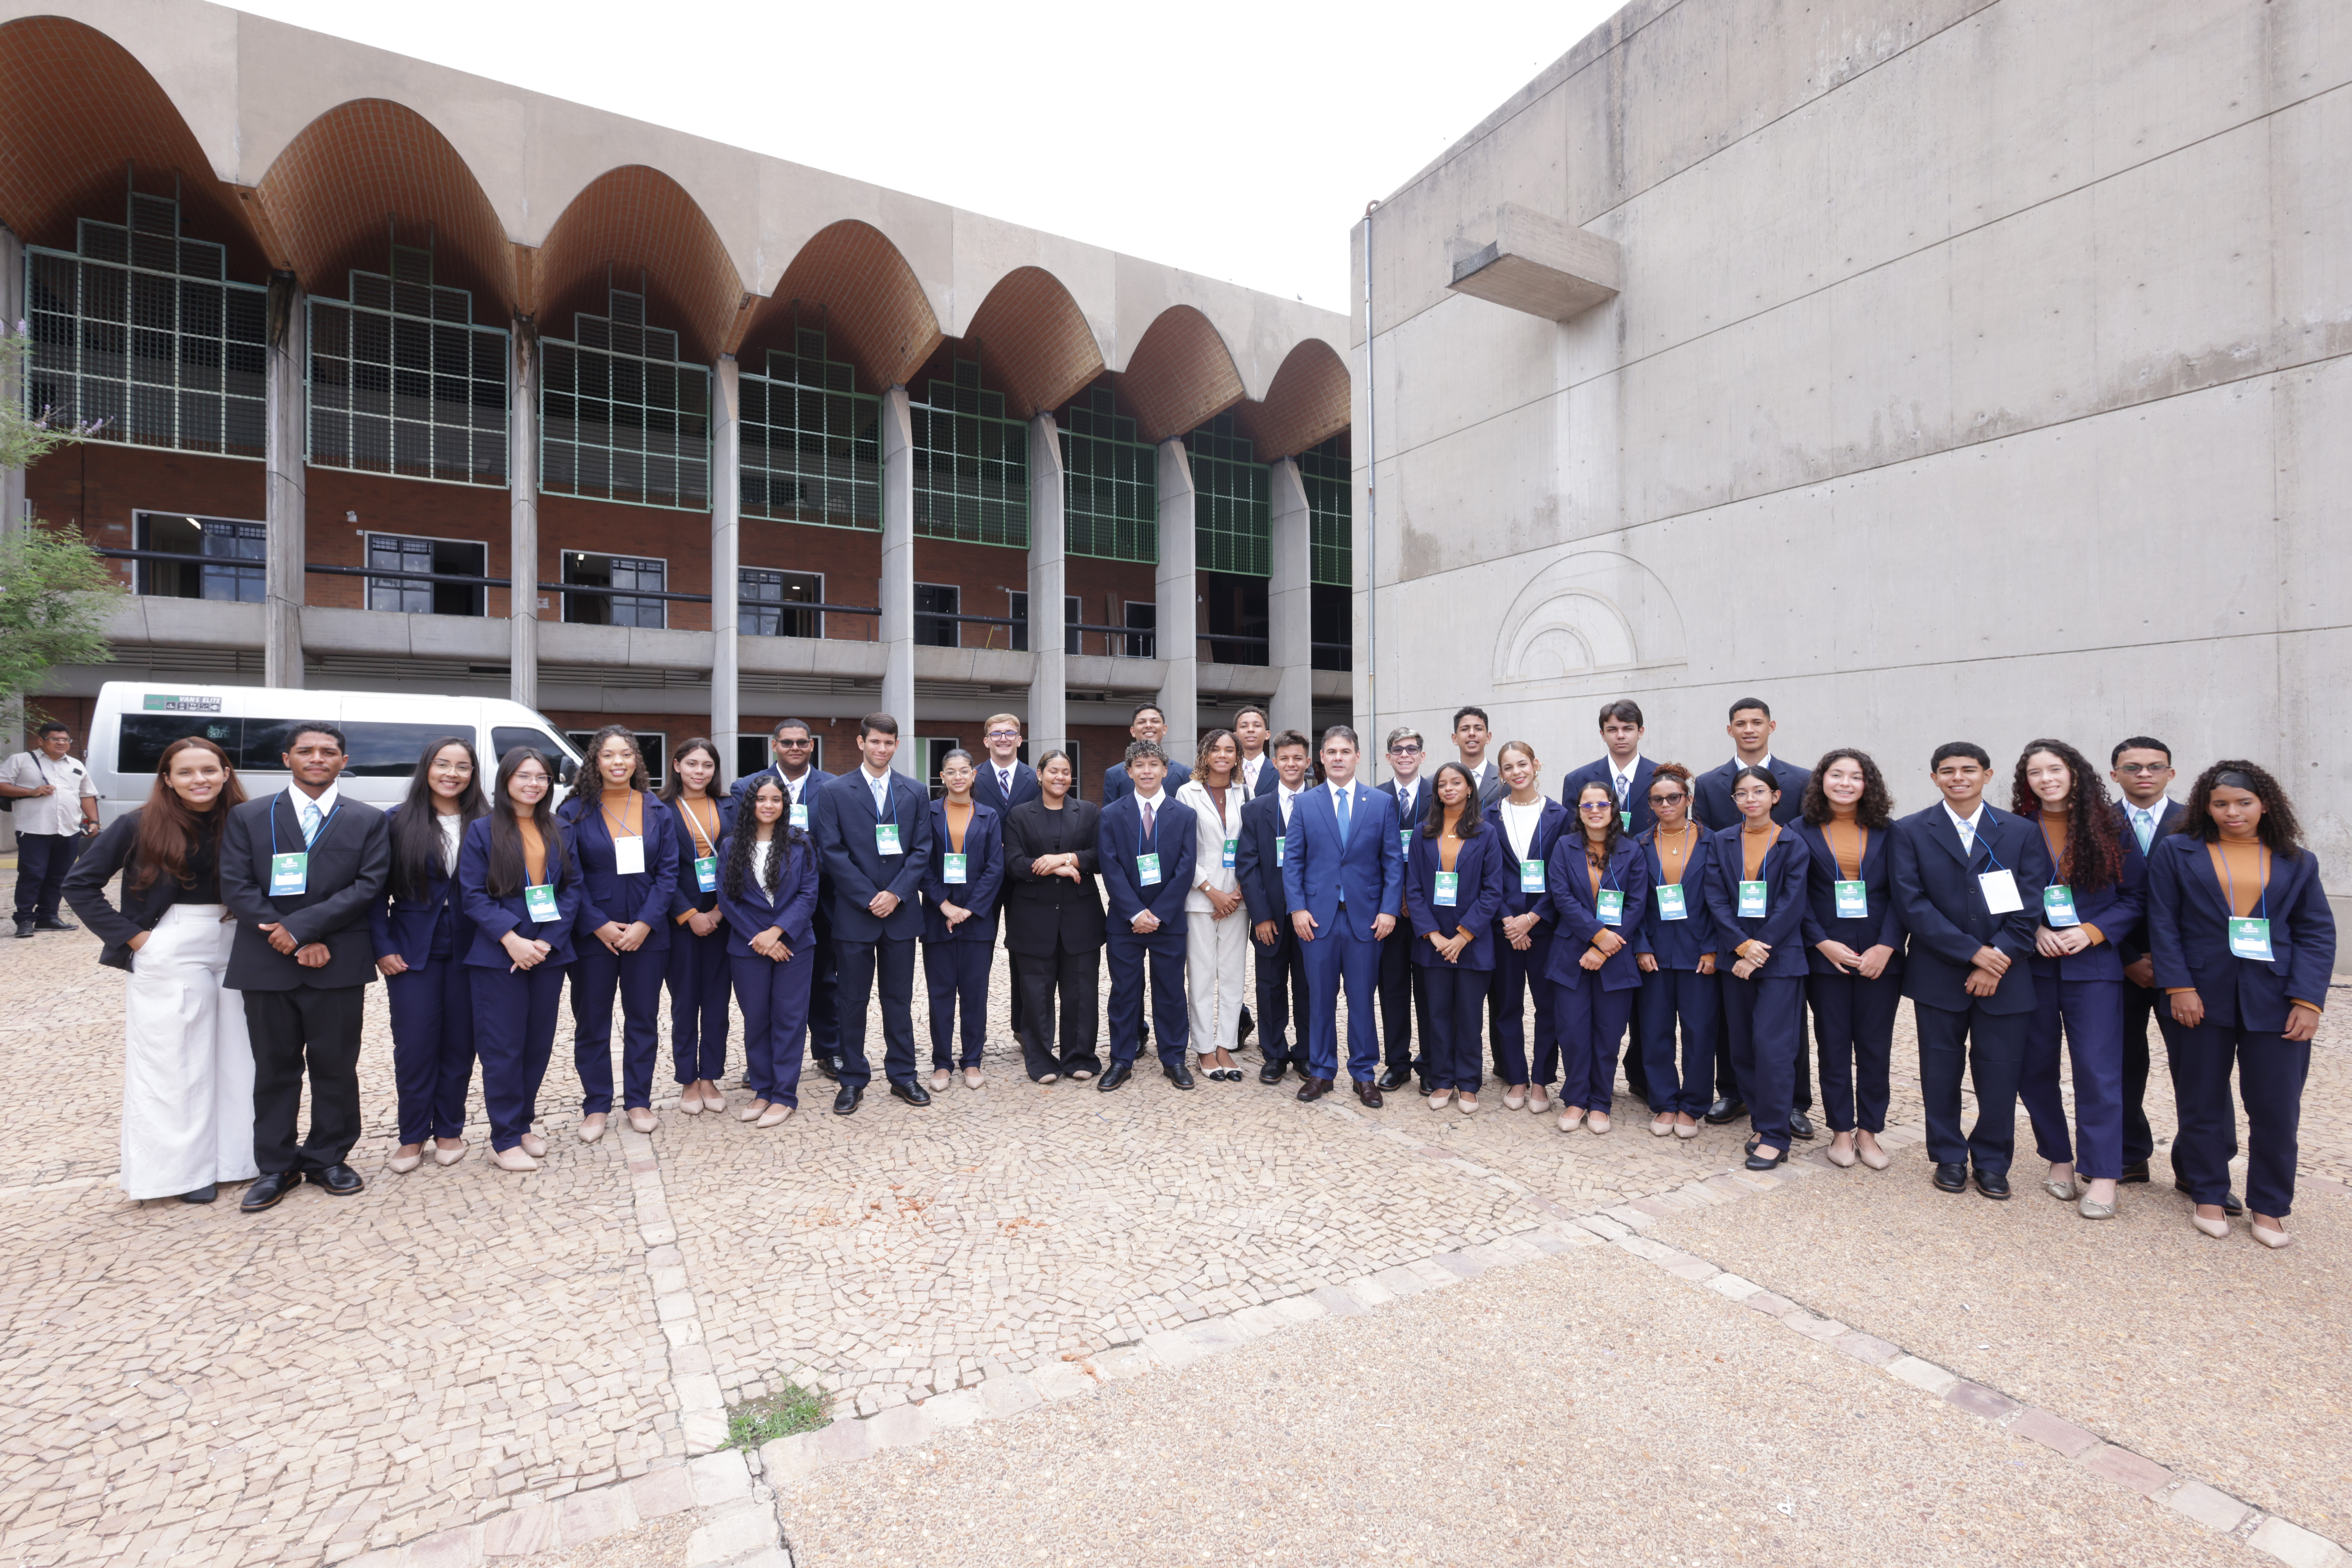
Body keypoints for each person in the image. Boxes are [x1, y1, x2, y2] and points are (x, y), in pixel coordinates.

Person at [2147, 761, 2335, 1248]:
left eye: (2244, 802)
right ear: (2206, 807)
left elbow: (2316, 933)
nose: (2233, 812)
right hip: (2200, 998)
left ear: (2265, 803)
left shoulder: (2297, 859)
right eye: (2221, 803)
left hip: (2276, 1001)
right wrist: (2178, 987)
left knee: (2276, 1110)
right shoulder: (2178, 850)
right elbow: (2162, 922)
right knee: (2202, 1101)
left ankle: (2270, 1206)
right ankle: (2208, 1193)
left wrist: (2309, 1000)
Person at [64, 736, 255, 1204]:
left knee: (240, 1059)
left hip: (236, 942)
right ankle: (180, 1175)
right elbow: (80, 883)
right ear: (167, 778)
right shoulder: (139, 824)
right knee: (174, 1064)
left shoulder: (245, 821)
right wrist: (136, 939)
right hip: (169, 944)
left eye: (209, 769)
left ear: (226, 772)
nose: (200, 780)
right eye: (186, 772)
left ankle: (238, 1160)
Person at [217, 723, 390, 1212]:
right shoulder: (249, 816)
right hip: (266, 960)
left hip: (337, 961)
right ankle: (275, 1165)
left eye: (328, 752)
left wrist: (306, 930)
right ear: (286, 758)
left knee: (336, 1067)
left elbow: (368, 885)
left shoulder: (366, 820)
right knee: (274, 1068)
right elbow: (237, 884)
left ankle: (328, 1157)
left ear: (343, 760)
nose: (318, 758)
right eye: (306, 750)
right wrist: (289, 937)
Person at [1889, 742, 2050, 1201]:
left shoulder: (2020, 831)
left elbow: (2030, 903)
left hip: (2008, 973)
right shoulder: (1911, 830)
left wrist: (1997, 956)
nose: (1958, 777)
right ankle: (1949, 1156)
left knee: (1999, 1073)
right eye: (1948, 771)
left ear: (1987, 774)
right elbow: (1912, 904)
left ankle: (1994, 1161)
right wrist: (1973, 954)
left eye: (1968, 769)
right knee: (1940, 1070)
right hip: (1939, 973)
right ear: (1935, 777)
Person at [2007, 740, 2143, 1219]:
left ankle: (2104, 1173)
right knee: (2035, 1068)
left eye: (2054, 769)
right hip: (2034, 966)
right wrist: (2035, 929)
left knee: (2098, 1070)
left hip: (2094, 968)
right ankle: (2059, 1159)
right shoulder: (2015, 829)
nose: (2046, 779)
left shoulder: (2112, 825)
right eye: (2035, 772)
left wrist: (2092, 932)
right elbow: (2000, 893)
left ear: (2075, 773)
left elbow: (2135, 896)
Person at [1694, 698, 1815, 1136]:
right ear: (1730, 729)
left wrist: (1760, 946)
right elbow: (1711, 888)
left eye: (1756, 722)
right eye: (1740, 723)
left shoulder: (1802, 784)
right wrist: (1738, 943)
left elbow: (1794, 897)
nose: (1749, 729)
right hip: (1735, 940)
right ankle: (1739, 1093)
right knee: (1739, 1031)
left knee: (1781, 1034)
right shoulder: (1708, 785)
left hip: (1780, 944)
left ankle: (1789, 1107)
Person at [458, 748, 580, 1171]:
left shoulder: (560, 828)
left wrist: (546, 942)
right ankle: (503, 1137)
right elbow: (472, 894)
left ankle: (523, 1123)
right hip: (499, 956)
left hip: (547, 954)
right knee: (502, 1048)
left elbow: (572, 890)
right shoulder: (482, 829)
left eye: (542, 777)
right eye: (525, 776)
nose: (534, 783)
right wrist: (512, 939)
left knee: (537, 1045)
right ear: (506, 779)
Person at [369, 737, 488, 1173]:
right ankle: (412, 1134)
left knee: (461, 1042)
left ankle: (450, 1128)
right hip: (412, 948)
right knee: (416, 1044)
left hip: (472, 947)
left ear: (474, 774)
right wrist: (383, 946)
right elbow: (375, 892)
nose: (452, 773)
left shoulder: (488, 820)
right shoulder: (397, 821)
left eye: (463, 766)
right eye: (443, 764)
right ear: (427, 768)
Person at [560, 726, 682, 1140]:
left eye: (626, 754)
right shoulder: (573, 811)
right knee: (592, 1021)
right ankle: (595, 1105)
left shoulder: (657, 809)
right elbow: (568, 876)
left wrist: (646, 922)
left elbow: (668, 874)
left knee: (643, 1019)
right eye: (608, 754)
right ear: (595, 760)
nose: (618, 762)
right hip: (593, 934)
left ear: (636, 761)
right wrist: (598, 925)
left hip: (650, 933)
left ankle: (638, 1100)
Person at [813, 713, 933, 1114]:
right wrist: (870, 896)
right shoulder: (834, 791)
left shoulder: (915, 791)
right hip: (854, 913)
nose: (882, 748)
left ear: (897, 745)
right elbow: (831, 852)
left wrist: (896, 894)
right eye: (875, 741)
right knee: (852, 1000)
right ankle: (852, 1079)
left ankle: (903, 1075)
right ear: (861, 742)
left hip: (900, 914)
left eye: (889, 742)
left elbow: (921, 851)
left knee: (898, 999)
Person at [1792, 750, 1905, 1170]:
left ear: (1867, 783)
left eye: (1854, 776)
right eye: (1836, 774)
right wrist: (1821, 943)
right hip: (1827, 959)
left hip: (1880, 958)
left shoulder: (1891, 832)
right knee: (1834, 1045)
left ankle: (1869, 1132)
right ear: (1821, 780)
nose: (1845, 783)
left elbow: (1903, 894)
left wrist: (1888, 945)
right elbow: (1794, 897)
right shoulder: (1798, 831)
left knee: (1876, 1048)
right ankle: (1841, 1130)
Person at [1284, 726, 1404, 1106]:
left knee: (1362, 999)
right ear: (1321, 758)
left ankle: (1364, 1074)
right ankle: (1321, 1071)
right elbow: (1293, 862)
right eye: (1331, 751)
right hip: (1317, 918)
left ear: (1356, 757)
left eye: (1346, 751)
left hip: (1366, 919)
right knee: (1319, 998)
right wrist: (1297, 908)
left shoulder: (1381, 803)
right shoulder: (1305, 804)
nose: (1338, 757)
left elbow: (1392, 864)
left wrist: (1388, 910)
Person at [734, 720, 839, 1077]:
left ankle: (829, 1050)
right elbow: (737, 847)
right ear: (774, 746)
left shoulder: (834, 787)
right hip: (761, 907)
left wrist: (805, 874)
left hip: (818, 898)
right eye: (788, 742)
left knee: (825, 979)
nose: (795, 748)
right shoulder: (746, 787)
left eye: (802, 743)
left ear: (811, 746)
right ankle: (763, 1061)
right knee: (762, 988)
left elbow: (839, 843)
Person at [1408, 763, 1513, 1111]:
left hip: (1474, 944)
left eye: (1457, 783)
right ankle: (1441, 1081)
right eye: (1442, 784)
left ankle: (1468, 1084)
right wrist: (1435, 936)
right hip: (1433, 944)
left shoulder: (1486, 833)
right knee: (1436, 1014)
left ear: (1470, 789)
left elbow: (1492, 890)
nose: (1449, 789)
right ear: (1436, 792)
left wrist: (1464, 935)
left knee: (1469, 1016)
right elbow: (1414, 889)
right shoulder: (1423, 832)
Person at [718, 775, 821, 1127]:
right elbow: (727, 900)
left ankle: (784, 1095)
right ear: (751, 803)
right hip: (749, 949)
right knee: (757, 1020)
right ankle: (763, 1089)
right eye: (762, 799)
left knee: (790, 1020)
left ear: (784, 805)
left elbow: (809, 894)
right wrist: (760, 938)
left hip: (795, 944)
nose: (768, 805)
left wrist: (777, 933)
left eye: (776, 799)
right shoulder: (733, 846)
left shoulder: (800, 843)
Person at [1547, 781, 1649, 1134]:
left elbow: (1637, 904)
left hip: (1615, 956)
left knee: (1609, 1034)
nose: (1594, 811)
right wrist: (1597, 936)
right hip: (1571, 954)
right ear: (1579, 811)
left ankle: (1601, 1102)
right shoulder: (1564, 846)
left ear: (1614, 808)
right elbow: (1562, 897)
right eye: (1587, 805)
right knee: (1573, 1031)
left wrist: (1605, 945)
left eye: (1601, 804)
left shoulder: (1631, 850)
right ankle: (1576, 1100)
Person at [2107, 736, 2186, 1190]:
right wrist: (2128, 958)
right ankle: (2129, 1154)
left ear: (2171, 774)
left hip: (2186, 970)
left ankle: (2199, 1167)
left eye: (2155, 767)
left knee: (2195, 1070)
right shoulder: (2097, 824)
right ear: (2114, 774)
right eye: (2132, 767)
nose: (2144, 774)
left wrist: (2172, 964)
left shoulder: (2197, 822)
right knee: (2121, 1064)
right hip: (2117, 963)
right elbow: (2089, 898)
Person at [1098, 739, 1197, 1089]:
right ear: (1129, 772)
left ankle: (1174, 1059)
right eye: (1139, 765)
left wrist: (1157, 913)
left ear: (1165, 771)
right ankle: (1122, 1060)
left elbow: (1186, 869)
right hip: (1125, 922)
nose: (1146, 771)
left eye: (1153, 765)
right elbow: (1110, 868)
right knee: (1125, 992)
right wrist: (1135, 913)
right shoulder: (1111, 814)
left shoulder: (1184, 815)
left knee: (1170, 991)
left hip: (1168, 921)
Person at [1002, 751, 1106, 1083]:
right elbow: (1014, 864)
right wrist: (1054, 868)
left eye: (1066, 772)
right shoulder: (1019, 815)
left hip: (1081, 918)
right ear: (1040, 775)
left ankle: (1080, 1057)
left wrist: (1066, 858)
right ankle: (1041, 1061)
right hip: (1032, 919)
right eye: (1054, 771)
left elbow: (1100, 856)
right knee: (1036, 993)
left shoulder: (1088, 812)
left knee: (1082, 992)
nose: (1060, 777)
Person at [1631, 762, 1719, 1138]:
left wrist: (1714, 949)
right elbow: (1632, 904)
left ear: (1688, 799)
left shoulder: (1715, 841)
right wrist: (1640, 946)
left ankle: (1694, 1105)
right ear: (1650, 804)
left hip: (1700, 952)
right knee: (1654, 1032)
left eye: (1673, 797)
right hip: (1654, 954)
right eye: (1658, 799)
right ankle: (1665, 1102)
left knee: (1700, 1033)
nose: (1666, 804)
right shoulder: (1639, 844)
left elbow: (1723, 901)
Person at [1487, 741, 1570, 1113]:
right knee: (1506, 1007)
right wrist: (1508, 920)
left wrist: (1532, 918)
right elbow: (1487, 876)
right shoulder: (1490, 816)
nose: (1517, 772)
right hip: (1503, 928)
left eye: (1523, 764)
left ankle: (1541, 1081)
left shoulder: (1560, 814)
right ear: (1501, 775)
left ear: (1537, 765)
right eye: (1508, 767)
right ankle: (1517, 1078)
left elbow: (1565, 876)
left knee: (1547, 1007)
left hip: (1545, 926)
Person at [920, 750, 1003, 1092]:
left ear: (974, 776)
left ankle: (972, 1060)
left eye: (964, 771)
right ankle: (942, 1062)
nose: (958, 777)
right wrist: (944, 905)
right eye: (951, 771)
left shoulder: (989, 815)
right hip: (938, 918)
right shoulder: (928, 813)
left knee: (974, 993)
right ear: (942, 777)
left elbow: (995, 866)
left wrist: (968, 909)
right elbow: (921, 863)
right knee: (940, 993)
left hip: (977, 920)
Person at [660, 738, 733, 1117]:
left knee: (718, 1004)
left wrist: (720, 912)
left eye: (706, 765)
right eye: (692, 764)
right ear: (677, 766)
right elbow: (659, 870)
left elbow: (739, 863)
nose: (699, 772)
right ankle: (688, 1079)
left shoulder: (729, 806)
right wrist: (689, 915)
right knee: (685, 1004)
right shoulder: (661, 810)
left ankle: (711, 1077)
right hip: (680, 922)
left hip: (723, 920)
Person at [1237, 730, 1312, 1084]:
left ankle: (1308, 1052)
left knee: (1309, 986)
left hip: (1312, 917)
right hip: (1270, 916)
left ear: (1308, 762)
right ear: (1275, 762)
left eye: (1298, 758)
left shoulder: (1320, 804)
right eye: (1284, 758)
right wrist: (1262, 916)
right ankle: (1274, 1054)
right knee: (1270, 987)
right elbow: (1247, 867)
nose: (1292, 764)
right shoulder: (1254, 810)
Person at [1177, 729, 1250, 1081]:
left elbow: (1250, 848)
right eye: (1216, 749)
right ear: (1205, 754)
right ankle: (1205, 1050)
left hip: (1238, 900)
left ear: (1237, 756)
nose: (1223, 755)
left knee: (1234, 976)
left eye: (1230, 750)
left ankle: (1226, 1048)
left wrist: (1236, 893)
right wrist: (1210, 890)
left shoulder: (1246, 792)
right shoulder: (1186, 793)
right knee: (1203, 977)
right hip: (1200, 899)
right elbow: (1183, 849)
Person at [971, 714, 1039, 1050]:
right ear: (986, 741)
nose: (1003, 739)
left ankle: (1024, 1027)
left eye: (1009, 733)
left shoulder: (1034, 778)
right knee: (979, 954)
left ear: (1019, 740)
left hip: (1024, 878)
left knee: (1024, 954)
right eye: (995, 733)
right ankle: (975, 1033)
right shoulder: (972, 777)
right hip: (982, 879)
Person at [1374, 726, 1435, 1092]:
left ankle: (1430, 1063)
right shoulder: (1376, 798)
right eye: (1398, 749)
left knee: (1430, 992)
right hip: (1389, 913)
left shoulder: (1440, 796)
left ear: (1422, 756)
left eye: (1412, 749)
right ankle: (1397, 1063)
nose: (1405, 755)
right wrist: (1393, 900)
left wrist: (1417, 899)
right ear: (1388, 757)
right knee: (1392, 990)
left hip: (1430, 912)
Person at [4, 720, 98, 937]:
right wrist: (32, 791)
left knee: (60, 876)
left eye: (65, 740)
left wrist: (94, 821)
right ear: (41, 740)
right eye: (55, 739)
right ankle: (25, 920)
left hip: (68, 830)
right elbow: (2, 784)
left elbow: (86, 794)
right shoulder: (21, 760)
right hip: (34, 830)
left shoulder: (76, 765)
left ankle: (48, 917)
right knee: (32, 875)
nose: (61, 743)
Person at [1562, 701, 1659, 838]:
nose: (1620, 735)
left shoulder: (1662, 777)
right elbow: (1573, 834)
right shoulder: (1578, 780)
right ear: (1603, 734)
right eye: (1612, 730)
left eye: (1628, 729)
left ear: (1640, 732)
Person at [1101, 704, 1193, 803]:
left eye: (1155, 721)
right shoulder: (1115, 775)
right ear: (1133, 731)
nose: (1149, 725)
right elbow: (1110, 816)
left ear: (1165, 729)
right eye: (1142, 722)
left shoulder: (1185, 774)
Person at [1451, 707, 1505, 807]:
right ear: (1455, 738)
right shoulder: (1437, 782)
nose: (1472, 733)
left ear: (1488, 737)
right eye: (1465, 729)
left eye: (1478, 729)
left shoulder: (1505, 779)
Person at [1233, 705, 1274, 798]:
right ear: (1235, 736)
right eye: (1244, 726)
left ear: (1267, 735)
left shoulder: (1280, 772)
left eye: (1257, 726)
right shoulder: (1226, 772)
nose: (1251, 730)